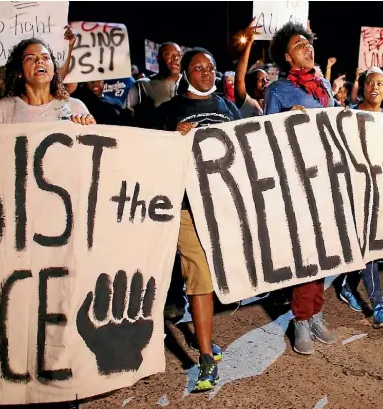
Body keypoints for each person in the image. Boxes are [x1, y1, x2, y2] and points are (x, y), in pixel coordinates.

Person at [153, 47, 241, 392]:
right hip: (187, 209)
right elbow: (150, 156)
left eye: (211, 68)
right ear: (185, 74)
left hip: (222, 207)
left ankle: (203, 335)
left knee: (216, 275)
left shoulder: (226, 108)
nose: (206, 73)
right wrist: (171, 140)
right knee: (199, 276)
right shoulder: (168, 113)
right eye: (198, 68)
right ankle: (205, 357)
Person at [265, 21, 340, 356]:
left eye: (309, 43)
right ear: (286, 55)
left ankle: (317, 312)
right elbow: (263, 136)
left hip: (329, 178)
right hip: (298, 181)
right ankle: (301, 320)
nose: (308, 48)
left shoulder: (323, 88)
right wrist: (285, 123)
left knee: (326, 250)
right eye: (299, 45)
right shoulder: (278, 90)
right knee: (306, 252)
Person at [333, 67, 383, 328]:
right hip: (355, 190)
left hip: (380, 190)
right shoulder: (346, 115)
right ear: (362, 86)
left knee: (372, 245)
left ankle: (345, 283)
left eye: (381, 84)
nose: (375, 87)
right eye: (370, 82)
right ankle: (378, 305)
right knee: (369, 245)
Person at [0, 38, 94, 125]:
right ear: (19, 72)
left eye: (45, 57)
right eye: (30, 58)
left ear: (54, 69)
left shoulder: (76, 107)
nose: (40, 61)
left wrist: (91, 127)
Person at [127, 42, 182, 127]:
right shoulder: (142, 85)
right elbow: (128, 119)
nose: (175, 58)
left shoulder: (192, 84)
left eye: (179, 55)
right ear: (158, 58)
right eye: (168, 54)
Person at [234, 19, 269, 118]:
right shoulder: (247, 103)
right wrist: (249, 43)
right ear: (250, 84)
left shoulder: (273, 104)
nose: (265, 82)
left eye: (267, 79)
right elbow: (239, 79)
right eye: (261, 79)